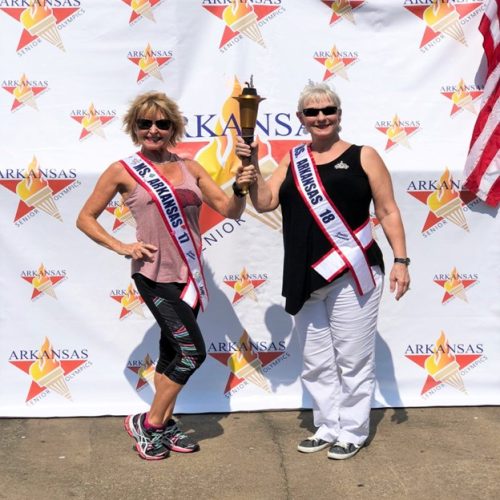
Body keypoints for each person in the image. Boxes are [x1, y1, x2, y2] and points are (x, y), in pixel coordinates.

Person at [235, 82, 410, 460]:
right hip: (305, 276)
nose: (321, 118)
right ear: (301, 119)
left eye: (327, 110)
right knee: (315, 359)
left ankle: (353, 430)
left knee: (353, 356)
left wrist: (401, 259)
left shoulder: (365, 155)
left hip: (354, 272)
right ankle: (327, 424)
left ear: (339, 114)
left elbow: (388, 210)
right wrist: (250, 166)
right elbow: (264, 201)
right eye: (312, 113)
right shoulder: (292, 160)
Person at [77, 91, 255, 460]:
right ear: (134, 128)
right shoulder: (122, 170)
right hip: (154, 275)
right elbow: (85, 218)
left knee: (173, 351)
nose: (153, 130)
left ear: (173, 128)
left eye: (162, 123)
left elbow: (230, 210)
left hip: (188, 275)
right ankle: (150, 424)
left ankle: (165, 423)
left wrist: (240, 186)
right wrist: (122, 246)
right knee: (192, 352)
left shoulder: (191, 167)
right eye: (145, 124)